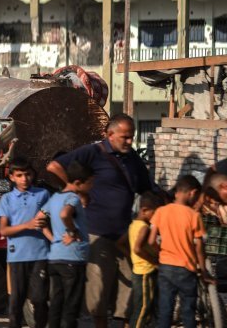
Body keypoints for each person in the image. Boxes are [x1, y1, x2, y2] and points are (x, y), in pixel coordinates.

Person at [46, 113, 153, 328]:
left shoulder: (132, 158)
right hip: (97, 232)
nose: (130, 141)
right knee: (99, 289)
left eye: (131, 137)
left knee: (129, 286)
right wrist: (76, 191)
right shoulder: (92, 152)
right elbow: (54, 166)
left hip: (124, 234)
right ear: (109, 134)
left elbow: (146, 187)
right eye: (125, 137)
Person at [148, 175, 212, 328]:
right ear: (192, 193)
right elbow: (198, 246)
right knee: (188, 311)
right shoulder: (194, 216)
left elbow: (150, 241)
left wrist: (160, 253)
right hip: (186, 269)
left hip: (165, 267)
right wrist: (203, 271)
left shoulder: (161, 212)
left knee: (165, 310)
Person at [0, 157, 51, 328]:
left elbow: (50, 221)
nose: (24, 179)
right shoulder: (6, 199)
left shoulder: (43, 194)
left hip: (40, 254)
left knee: (40, 299)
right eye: (19, 175)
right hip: (17, 255)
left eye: (27, 174)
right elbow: (3, 230)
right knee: (16, 302)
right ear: (11, 177)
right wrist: (27, 225)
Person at [40, 160, 94, 328]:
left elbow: (39, 220)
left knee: (56, 304)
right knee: (71, 307)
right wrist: (73, 231)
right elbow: (65, 214)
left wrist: (54, 239)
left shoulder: (55, 197)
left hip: (55, 258)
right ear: (78, 183)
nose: (92, 187)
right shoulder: (73, 198)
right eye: (90, 183)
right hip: (73, 258)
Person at [128, 191, 164, 328]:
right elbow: (137, 248)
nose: (156, 219)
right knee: (143, 308)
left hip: (138, 270)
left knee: (143, 306)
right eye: (154, 214)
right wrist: (154, 261)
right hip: (145, 272)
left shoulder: (133, 225)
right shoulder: (144, 228)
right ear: (144, 210)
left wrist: (132, 258)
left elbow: (121, 244)